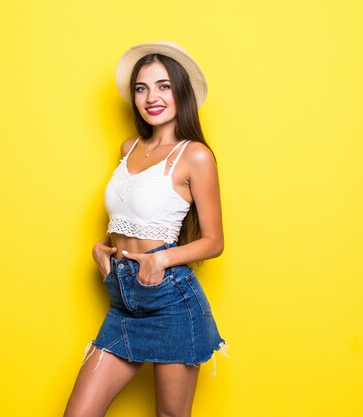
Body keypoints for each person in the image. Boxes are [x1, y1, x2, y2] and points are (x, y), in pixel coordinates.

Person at [63, 40, 227, 417]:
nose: (152, 97)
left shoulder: (195, 155)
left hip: (170, 300)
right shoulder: (128, 148)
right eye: (142, 88)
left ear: (180, 92)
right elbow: (132, 212)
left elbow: (214, 241)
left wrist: (160, 260)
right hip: (123, 300)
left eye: (163, 86)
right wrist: (101, 248)